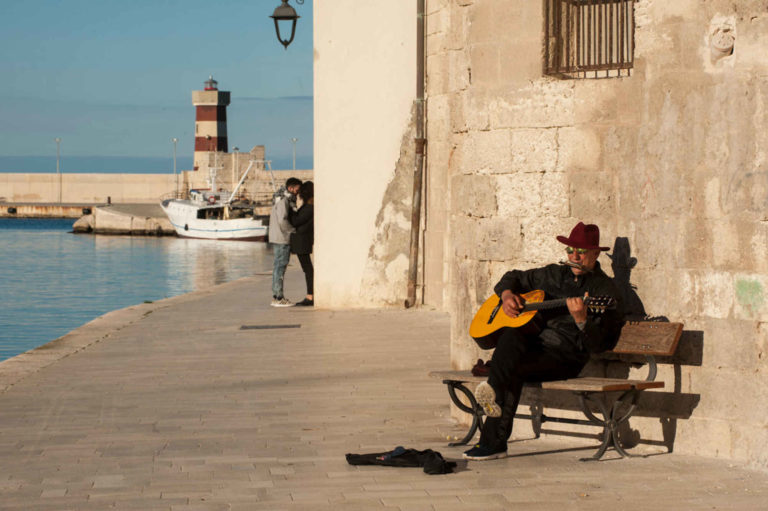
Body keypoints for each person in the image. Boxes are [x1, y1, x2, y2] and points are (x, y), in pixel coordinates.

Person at [463, 222, 624, 461]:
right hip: (534, 348)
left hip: (565, 356)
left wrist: (582, 320)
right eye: (570, 250)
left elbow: (600, 345)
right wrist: (507, 296)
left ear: (596, 253)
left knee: (509, 369)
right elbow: (512, 278)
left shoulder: (605, 290)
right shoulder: (553, 274)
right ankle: (493, 431)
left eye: (581, 251)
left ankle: (491, 441)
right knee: (510, 337)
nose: (575, 256)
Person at [269, 177, 302, 307]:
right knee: (280, 267)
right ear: (291, 188)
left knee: (278, 267)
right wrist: (293, 230)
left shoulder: (279, 198)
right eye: (297, 189)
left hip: (277, 236)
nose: (298, 192)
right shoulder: (284, 200)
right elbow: (283, 220)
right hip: (282, 237)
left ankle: (276, 296)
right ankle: (278, 297)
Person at [289, 181, 314, 306]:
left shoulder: (309, 208)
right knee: (307, 268)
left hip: (302, 240)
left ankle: (310, 296)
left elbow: (296, 221)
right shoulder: (308, 206)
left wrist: (290, 209)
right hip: (302, 240)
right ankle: (310, 294)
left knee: (308, 269)